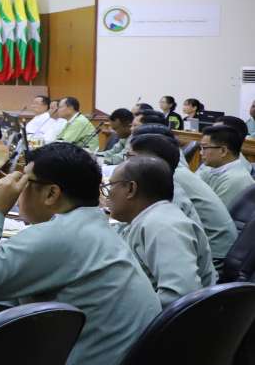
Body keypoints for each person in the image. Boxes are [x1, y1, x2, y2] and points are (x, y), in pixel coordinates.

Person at [0, 143, 159, 365]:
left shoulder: (62, 235)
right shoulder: (92, 226)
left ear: (52, 193)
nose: (16, 191)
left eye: (25, 182)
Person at [107, 156, 216, 307]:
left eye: (111, 186)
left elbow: (180, 296)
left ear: (131, 189)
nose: (108, 194)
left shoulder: (163, 226)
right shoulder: (147, 218)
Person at [128, 129, 236, 265]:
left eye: (130, 157)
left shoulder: (171, 183)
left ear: (152, 161)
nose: (125, 164)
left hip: (214, 254)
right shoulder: (169, 174)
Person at [197, 124, 254, 212]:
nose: (201, 153)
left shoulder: (235, 180)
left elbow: (213, 215)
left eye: (204, 148)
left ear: (223, 151)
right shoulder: (212, 168)